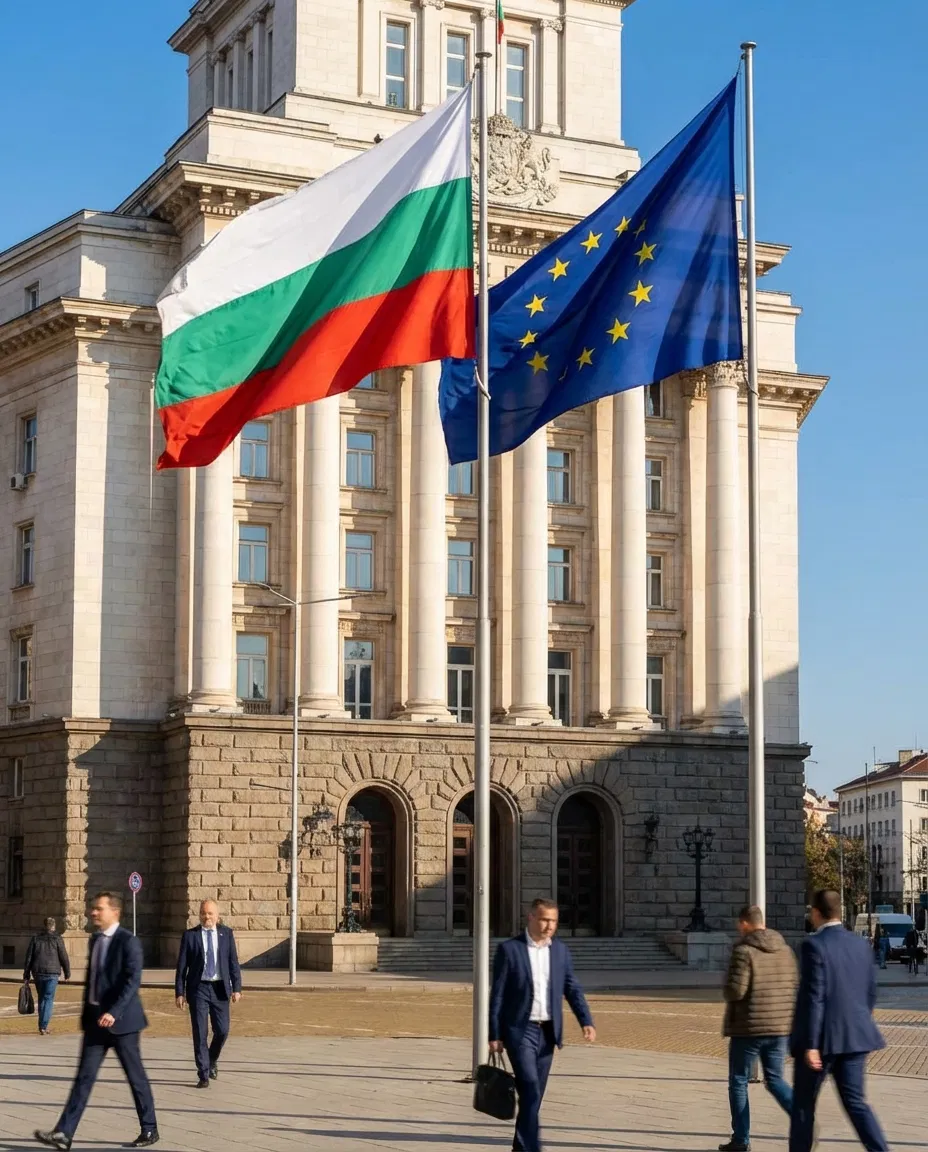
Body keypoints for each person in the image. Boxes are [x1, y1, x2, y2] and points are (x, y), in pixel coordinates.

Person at [34, 892, 158, 1151]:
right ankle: (64, 1134)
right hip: (94, 1023)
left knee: (135, 1077)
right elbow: (94, 982)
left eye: (99, 909)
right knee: (84, 1078)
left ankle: (149, 1128)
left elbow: (132, 981)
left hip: (122, 1024)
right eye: (93, 909)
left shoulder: (128, 941)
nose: (93, 913)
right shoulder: (95, 940)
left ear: (114, 912)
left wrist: (114, 1011)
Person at [489, 898, 595, 1152]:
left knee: (534, 1096)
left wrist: (585, 1021)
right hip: (520, 1030)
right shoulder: (510, 950)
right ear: (531, 918)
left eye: (554, 921)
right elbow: (498, 995)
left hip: (548, 1032)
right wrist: (494, 1033)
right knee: (531, 1088)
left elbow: (572, 988)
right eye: (545, 919)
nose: (549, 926)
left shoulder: (560, 951)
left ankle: (520, 1146)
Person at [789, 889, 887, 1152]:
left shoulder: (813, 945)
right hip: (855, 1037)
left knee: (803, 1105)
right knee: (856, 1103)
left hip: (821, 1041)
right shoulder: (859, 944)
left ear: (817, 912)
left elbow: (814, 996)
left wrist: (810, 1044)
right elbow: (870, 992)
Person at [719, 904, 798, 1152]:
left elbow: (736, 990)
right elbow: (794, 985)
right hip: (779, 1027)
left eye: (738, 924)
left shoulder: (744, 951)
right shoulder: (785, 950)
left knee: (739, 1081)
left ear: (744, 923)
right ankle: (804, 1118)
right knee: (775, 1080)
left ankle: (741, 1139)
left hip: (749, 1027)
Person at [174, 898, 242, 1088]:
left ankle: (211, 1059)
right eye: (203, 913)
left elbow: (233, 963)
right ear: (199, 915)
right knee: (200, 1032)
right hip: (199, 989)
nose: (207, 917)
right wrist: (180, 992)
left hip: (220, 989)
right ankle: (203, 1074)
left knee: (222, 1030)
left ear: (217, 915)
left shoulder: (226, 934)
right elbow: (181, 967)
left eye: (210, 913)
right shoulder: (190, 936)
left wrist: (237, 988)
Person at [23, 917, 71, 1035]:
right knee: (48, 998)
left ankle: (41, 1025)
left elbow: (29, 957)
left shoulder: (36, 938)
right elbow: (63, 956)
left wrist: (26, 975)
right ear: (53, 926)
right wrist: (67, 972)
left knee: (41, 998)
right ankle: (43, 1026)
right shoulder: (57, 938)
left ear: (44, 926)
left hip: (38, 972)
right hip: (52, 973)